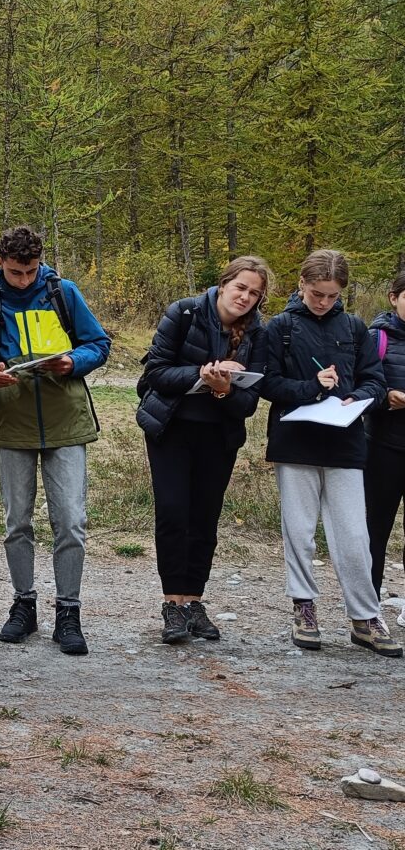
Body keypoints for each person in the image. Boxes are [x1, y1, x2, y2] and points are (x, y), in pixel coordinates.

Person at [0, 226, 110, 655]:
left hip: (68, 424)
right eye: (16, 272)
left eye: (31, 271)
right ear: (0, 264)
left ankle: (69, 612)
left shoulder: (64, 293)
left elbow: (99, 343)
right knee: (17, 523)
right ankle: (23, 605)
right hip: (15, 425)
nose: (24, 279)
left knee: (71, 521)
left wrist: (73, 361)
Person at [261, 249, 401, 657]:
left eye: (332, 295)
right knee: (299, 530)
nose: (324, 302)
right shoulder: (280, 327)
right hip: (295, 441)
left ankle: (365, 617)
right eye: (317, 294)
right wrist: (312, 387)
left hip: (346, 442)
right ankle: (304, 608)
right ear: (302, 284)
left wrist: (357, 396)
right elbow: (268, 383)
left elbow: (374, 380)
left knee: (354, 535)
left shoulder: (355, 327)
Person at [136, 256, 270, 645]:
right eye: (240, 287)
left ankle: (194, 600)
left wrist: (224, 390)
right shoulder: (184, 312)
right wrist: (201, 373)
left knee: (204, 518)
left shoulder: (258, 332)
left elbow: (249, 403)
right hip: (172, 429)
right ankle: (172, 603)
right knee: (173, 512)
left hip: (219, 435)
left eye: (254, 293)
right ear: (223, 284)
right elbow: (155, 373)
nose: (245, 297)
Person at [363, 270, 405, 619]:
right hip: (383, 447)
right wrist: (386, 397)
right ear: (394, 298)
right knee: (375, 529)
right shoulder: (376, 338)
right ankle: (368, 608)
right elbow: (360, 387)